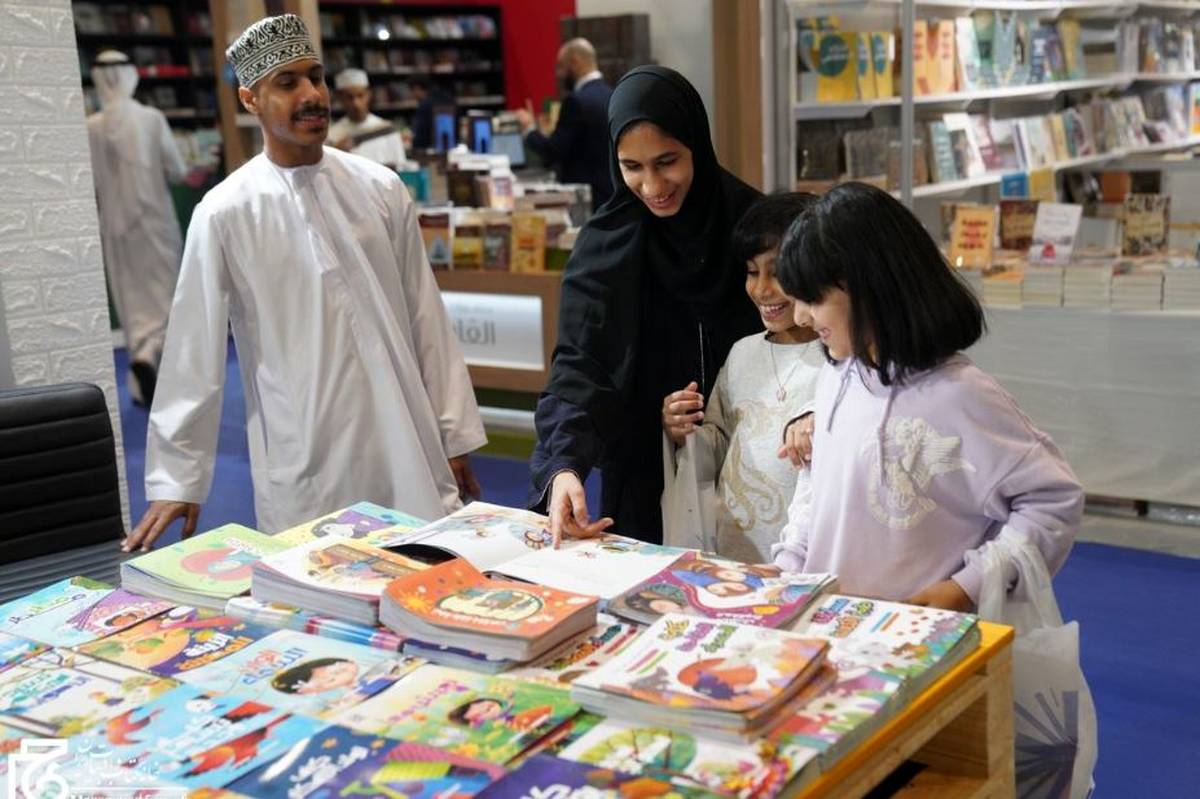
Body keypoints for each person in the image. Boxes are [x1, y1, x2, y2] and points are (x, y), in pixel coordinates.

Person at [125, 15, 486, 551]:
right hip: (306, 450)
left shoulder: (380, 188)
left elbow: (425, 317)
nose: (312, 95)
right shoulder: (225, 212)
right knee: (317, 574)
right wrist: (178, 478)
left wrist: (453, 434)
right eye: (288, 83)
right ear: (250, 99)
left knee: (422, 566)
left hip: (406, 437)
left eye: (316, 77)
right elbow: (193, 349)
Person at [771, 182, 1082, 611]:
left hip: (917, 636)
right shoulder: (838, 376)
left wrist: (967, 586)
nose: (802, 317)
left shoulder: (959, 395)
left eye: (813, 299)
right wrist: (789, 565)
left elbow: (1053, 500)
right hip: (834, 625)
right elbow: (821, 494)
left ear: (870, 287)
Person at [530, 66, 763, 546]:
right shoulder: (605, 245)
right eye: (632, 167)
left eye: (667, 161)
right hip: (646, 478)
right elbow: (580, 364)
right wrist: (564, 464)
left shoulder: (752, 227)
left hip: (756, 469)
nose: (653, 186)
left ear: (696, 143)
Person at [660, 193, 825, 562]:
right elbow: (719, 442)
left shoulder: (840, 358)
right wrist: (684, 431)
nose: (762, 288)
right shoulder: (742, 353)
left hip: (803, 556)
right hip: (733, 551)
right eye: (752, 272)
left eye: (778, 272)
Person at [86, 50, 191, 406]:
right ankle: (157, 364)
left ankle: (140, 372)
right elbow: (176, 170)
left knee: (131, 302)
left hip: (115, 229)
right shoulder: (151, 118)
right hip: (156, 223)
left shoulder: (91, 127)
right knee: (165, 295)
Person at [514, 39, 614, 207]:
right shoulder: (613, 95)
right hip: (609, 195)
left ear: (575, 62)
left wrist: (529, 128)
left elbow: (553, 151)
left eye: (560, 67)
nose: (558, 75)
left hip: (585, 199)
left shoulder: (575, 101)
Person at [327, 68, 407, 169]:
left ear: (368, 94)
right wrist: (337, 153)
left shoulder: (386, 129)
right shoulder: (333, 135)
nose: (356, 103)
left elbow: (400, 166)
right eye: (349, 97)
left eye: (360, 96)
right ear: (340, 98)